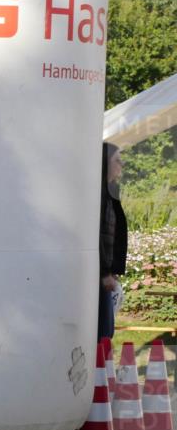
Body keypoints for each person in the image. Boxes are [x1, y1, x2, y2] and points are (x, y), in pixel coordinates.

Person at [98, 142, 127, 341]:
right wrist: (104, 272)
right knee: (103, 335)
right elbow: (97, 236)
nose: (121, 165)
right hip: (98, 278)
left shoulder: (109, 193)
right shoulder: (98, 195)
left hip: (105, 276)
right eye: (117, 160)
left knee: (106, 333)